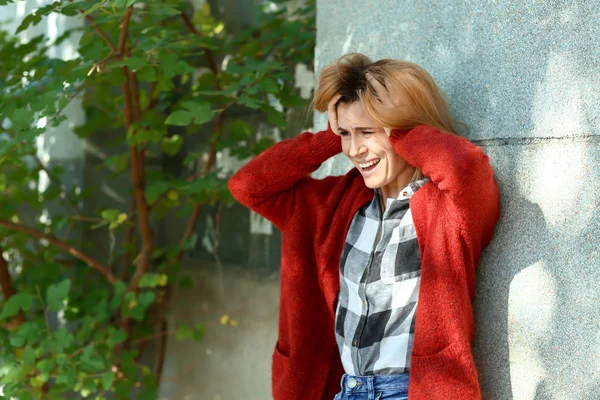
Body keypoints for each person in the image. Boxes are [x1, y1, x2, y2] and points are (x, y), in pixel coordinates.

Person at [228, 53, 500, 400]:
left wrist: (401, 126)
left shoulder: (446, 206)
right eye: (345, 134)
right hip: (346, 390)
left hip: (411, 392)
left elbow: (465, 168)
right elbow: (248, 186)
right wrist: (331, 136)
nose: (355, 150)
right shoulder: (330, 205)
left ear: (402, 128)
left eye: (368, 131)